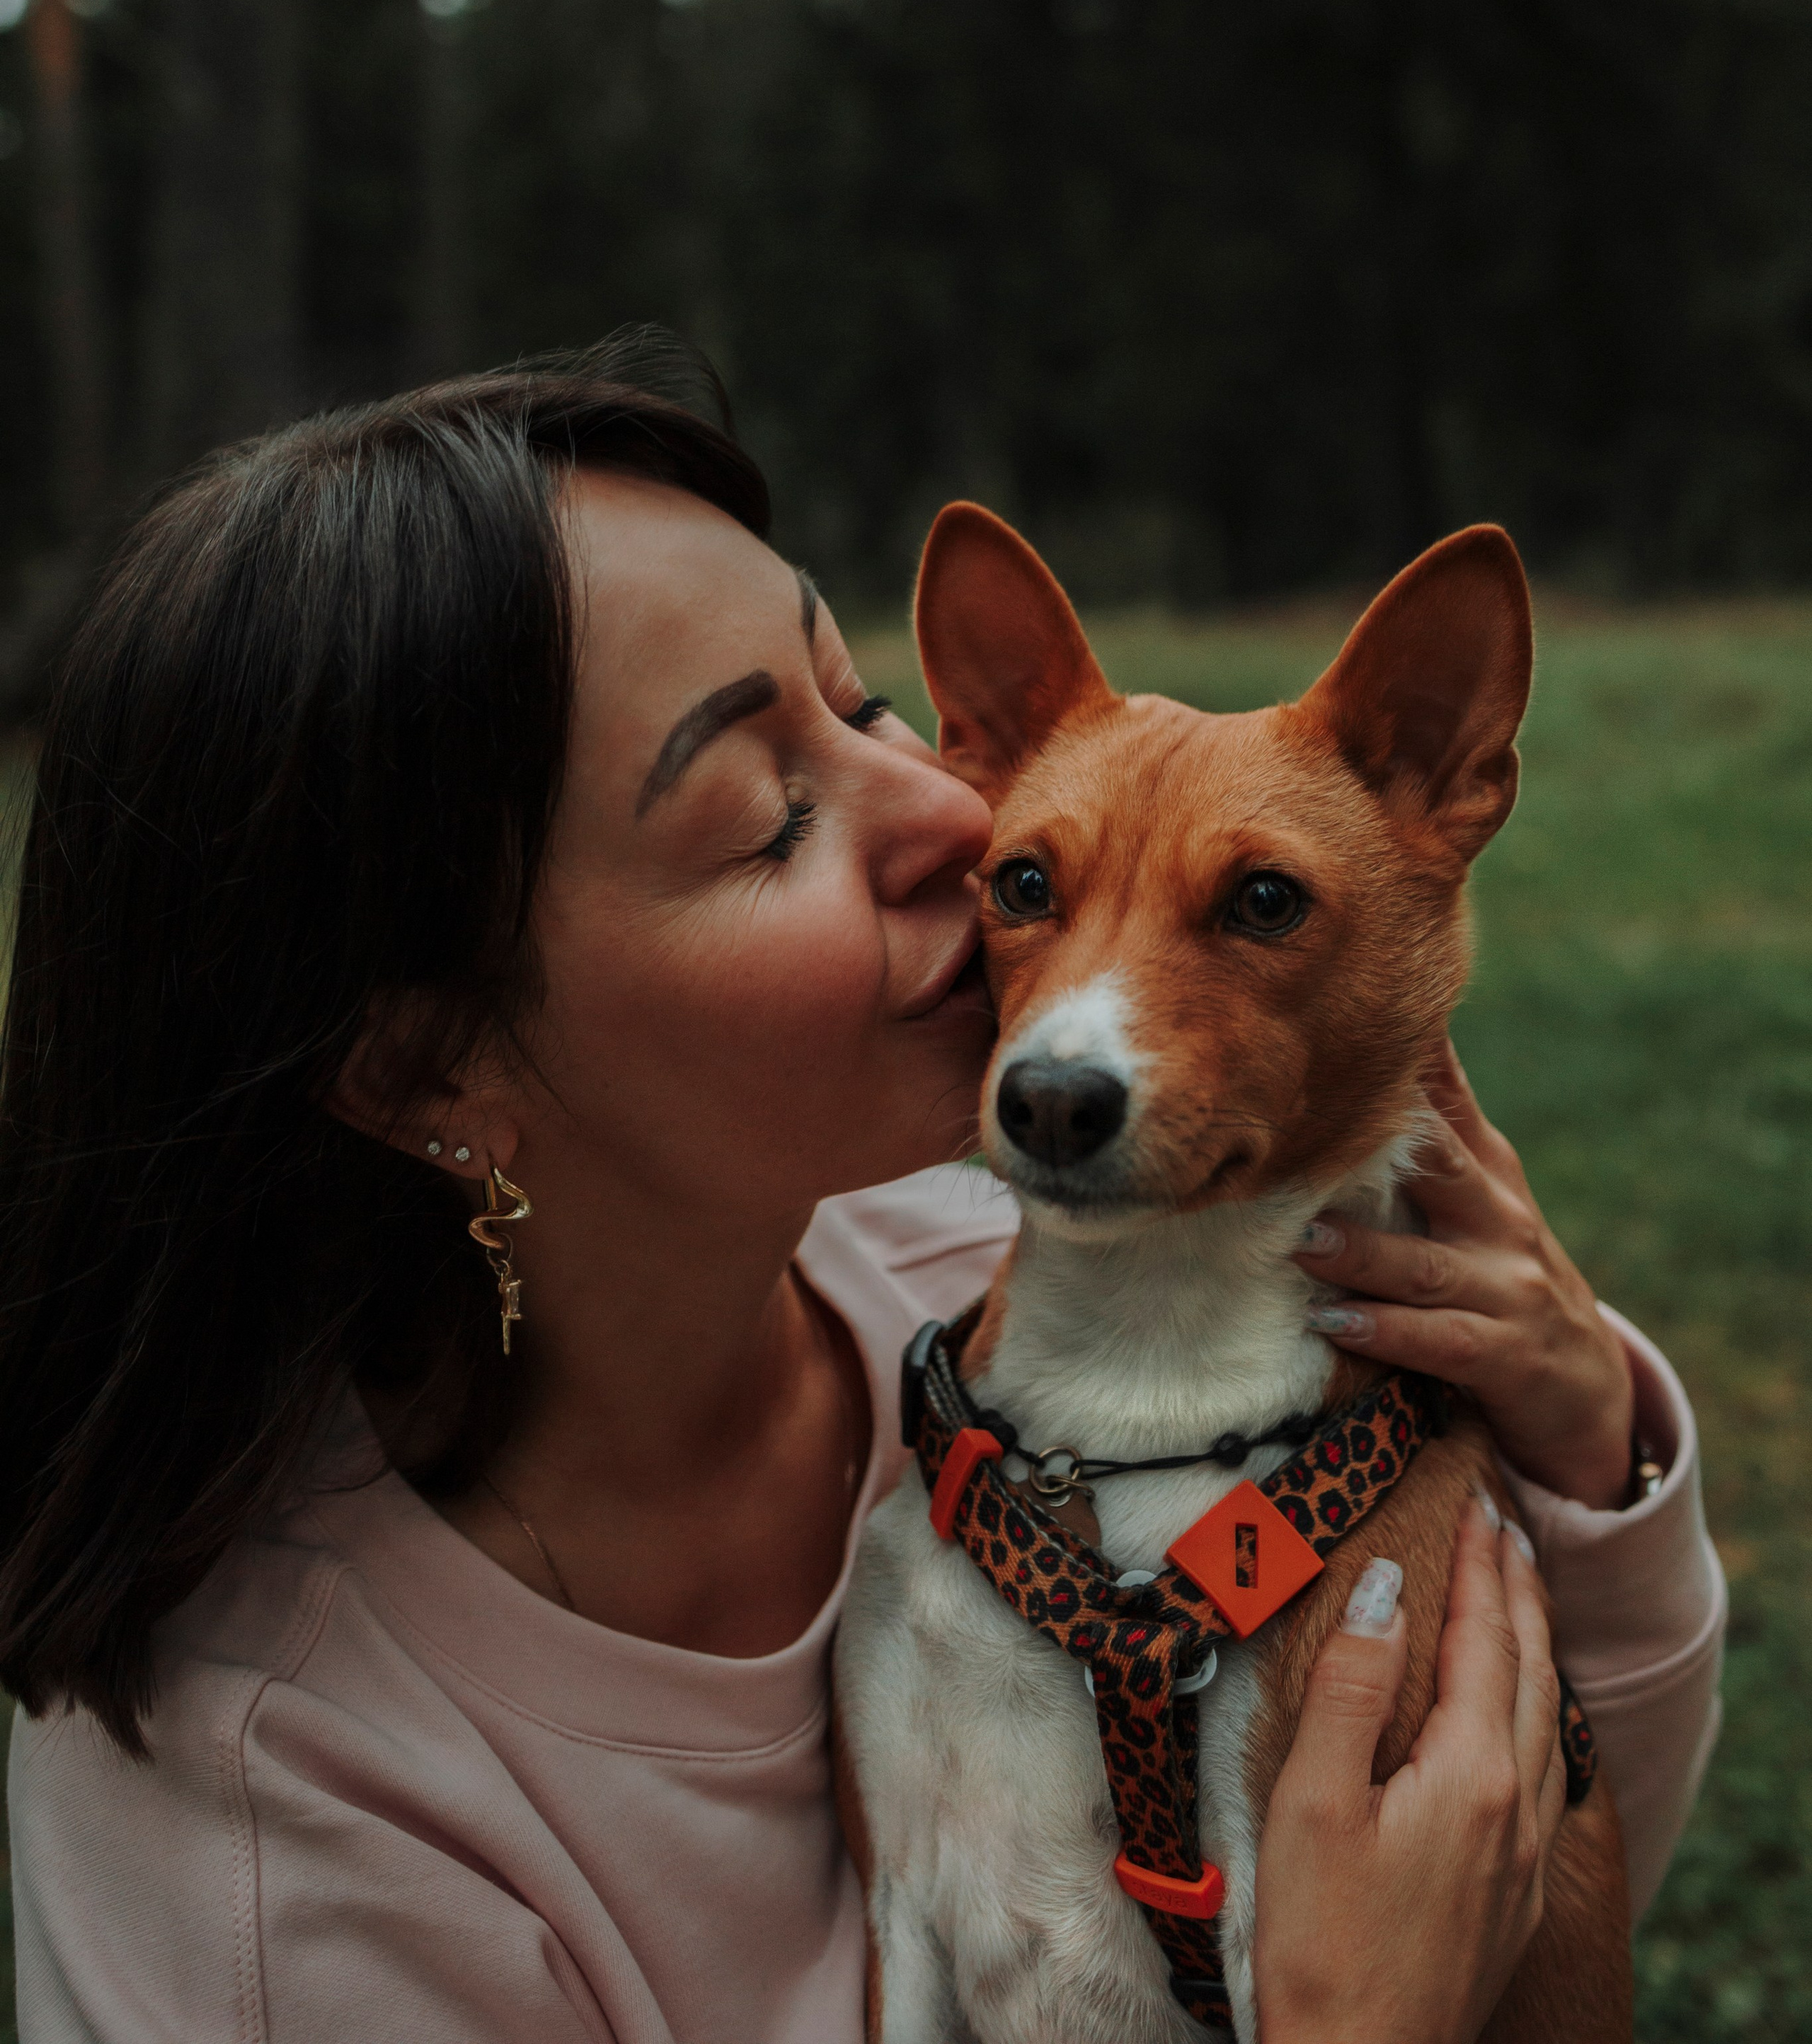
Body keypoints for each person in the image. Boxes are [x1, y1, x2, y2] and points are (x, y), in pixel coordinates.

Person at [0, 337, 1723, 2044]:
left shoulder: (971, 1249)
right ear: (427, 1065)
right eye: (765, 815)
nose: (951, 815)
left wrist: (1590, 1465)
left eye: (859, 695)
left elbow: (1508, 1887)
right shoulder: (277, 1857)